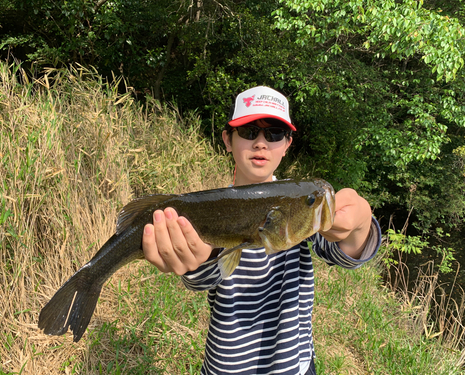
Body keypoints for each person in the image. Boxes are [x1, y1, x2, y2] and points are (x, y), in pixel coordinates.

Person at [142, 86, 381, 374]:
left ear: (287, 143)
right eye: (249, 131)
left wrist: (360, 221)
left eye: (274, 133)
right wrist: (199, 262)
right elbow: (204, 278)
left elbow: (347, 254)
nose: (260, 143)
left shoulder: (299, 205)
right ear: (228, 140)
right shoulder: (206, 208)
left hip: (294, 366)